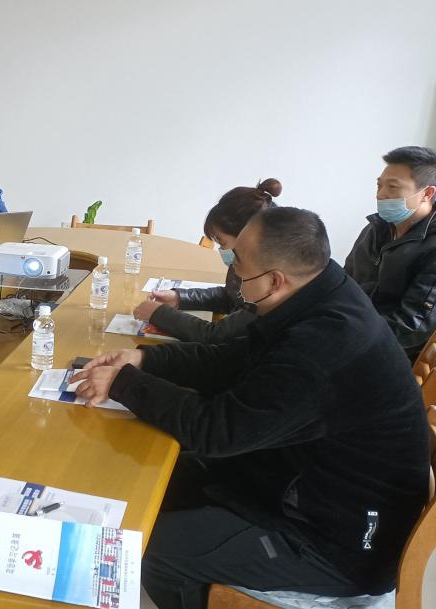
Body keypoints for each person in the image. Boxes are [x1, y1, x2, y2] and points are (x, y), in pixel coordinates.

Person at [73, 207, 429, 609]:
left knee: (146, 548)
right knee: (148, 478)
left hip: (334, 541)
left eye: (239, 265)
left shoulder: (322, 347)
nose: (233, 274)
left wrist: (124, 384)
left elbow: (216, 431)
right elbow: (234, 358)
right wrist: (145, 360)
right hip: (294, 477)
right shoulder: (320, 291)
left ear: (274, 280)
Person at [133, 179, 280, 343]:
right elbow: (231, 297)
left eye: (222, 242)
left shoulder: (268, 284)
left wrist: (159, 314)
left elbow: (215, 335)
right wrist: (179, 297)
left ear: (247, 239)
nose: (221, 250)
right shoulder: (251, 266)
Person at [345, 145, 436, 361]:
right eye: (379, 185)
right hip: (349, 328)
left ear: (427, 193)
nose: (381, 194)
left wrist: (346, 336)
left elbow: (410, 328)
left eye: (393, 187)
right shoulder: (376, 228)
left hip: (388, 352)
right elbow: (344, 281)